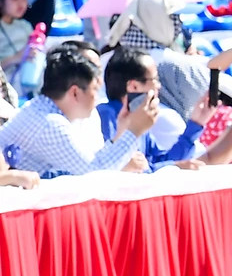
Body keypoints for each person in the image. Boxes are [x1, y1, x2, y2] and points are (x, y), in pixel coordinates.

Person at [0, 44, 153, 178]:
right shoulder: (50, 123)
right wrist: (134, 131)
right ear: (75, 92)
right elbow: (95, 173)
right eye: (94, 89)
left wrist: (121, 132)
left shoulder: (43, 110)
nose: (97, 97)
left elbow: (93, 160)